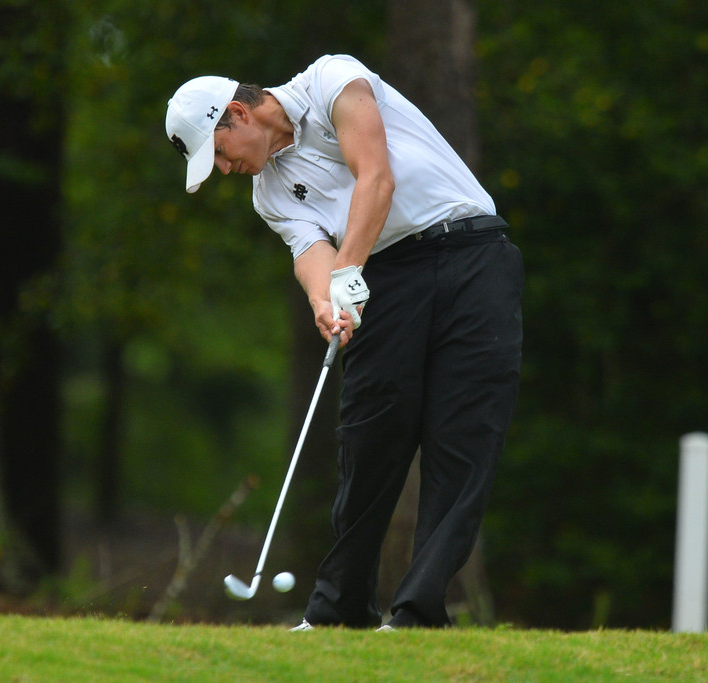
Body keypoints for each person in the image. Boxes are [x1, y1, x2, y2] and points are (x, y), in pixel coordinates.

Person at [165, 54, 523, 630]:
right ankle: (339, 610)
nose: (226, 171)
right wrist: (325, 301)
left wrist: (348, 272)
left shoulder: (332, 80)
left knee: (462, 441)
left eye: (221, 155)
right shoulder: (269, 194)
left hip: (473, 257)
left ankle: (418, 613)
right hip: (386, 276)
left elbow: (376, 177)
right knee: (368, 437)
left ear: (237, 114)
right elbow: (312, 256)